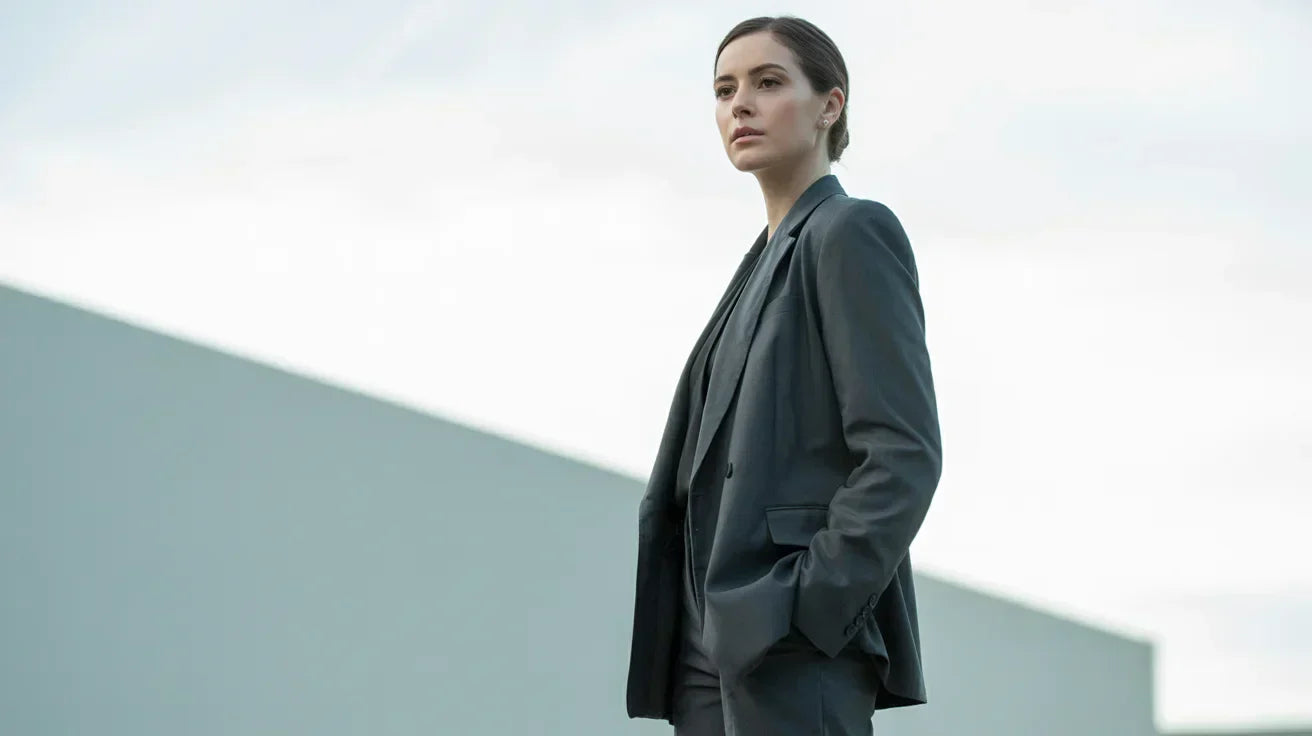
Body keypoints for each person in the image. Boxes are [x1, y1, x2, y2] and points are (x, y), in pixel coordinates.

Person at [624, 14, 944, 736]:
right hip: (705, 647)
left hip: (787, 637)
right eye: (724, 88)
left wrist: (808, 608)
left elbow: (902, 454)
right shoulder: (754, 269)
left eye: (768, 83)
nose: (740, 104)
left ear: (830, 105)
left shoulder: (850, 232)